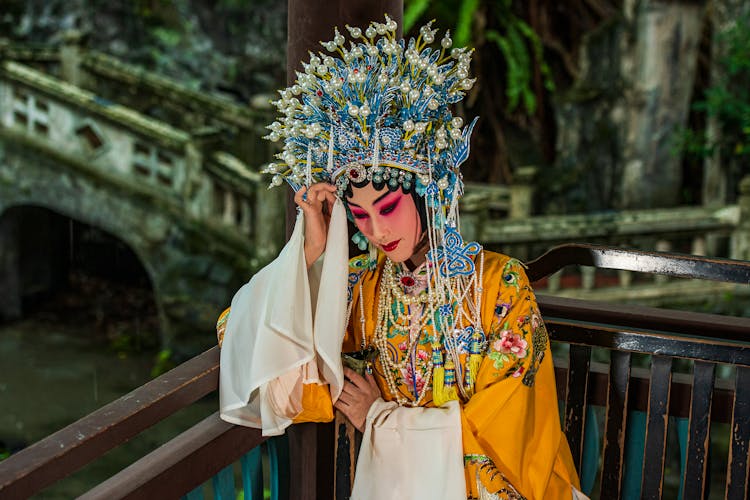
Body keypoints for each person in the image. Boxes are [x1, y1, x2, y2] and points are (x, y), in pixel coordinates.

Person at [217, 16, 584, 500]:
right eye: (360, 215)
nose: (377, 230)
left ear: (428, 192)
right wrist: (310, 251)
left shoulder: (500, 288)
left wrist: (379, 419)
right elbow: (240, 332)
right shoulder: (365, 290)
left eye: (388, 206)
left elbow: (508, 442)